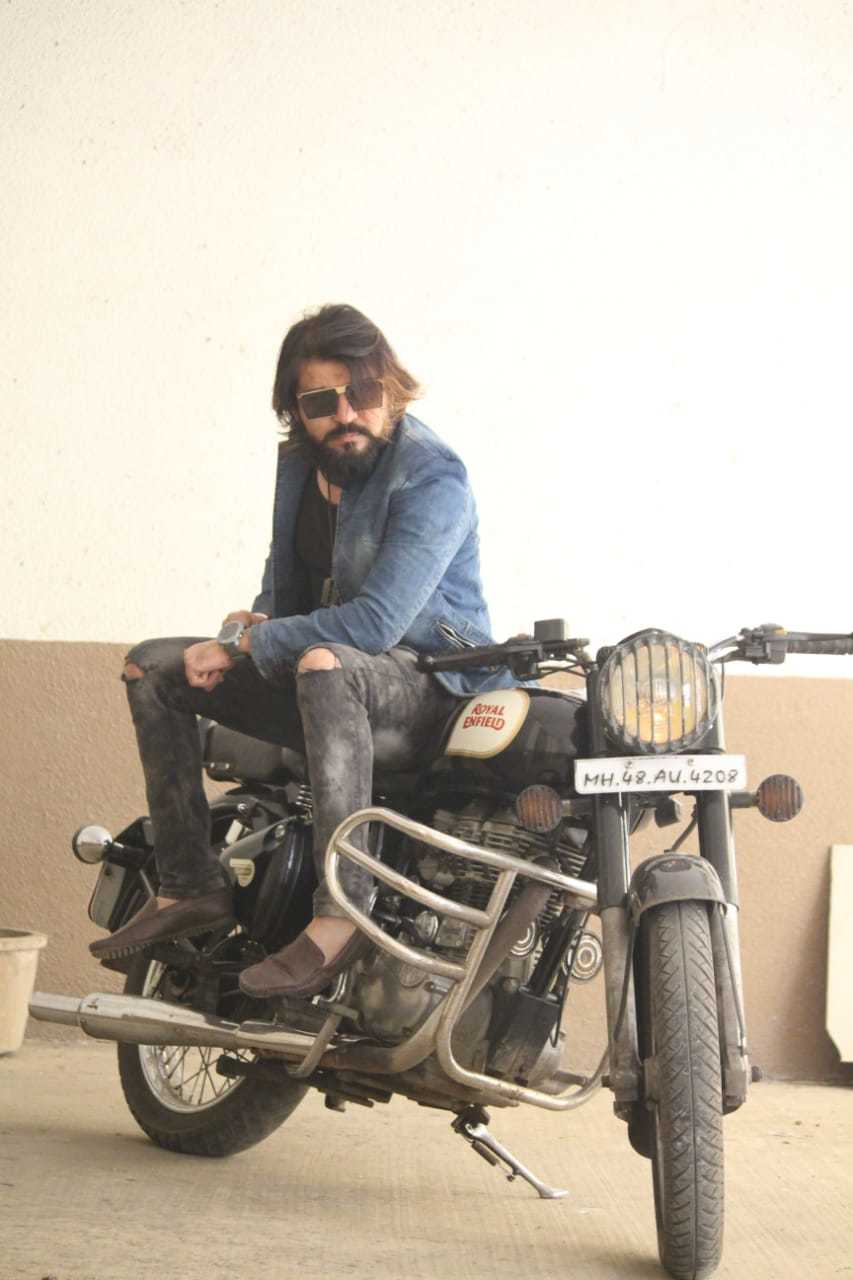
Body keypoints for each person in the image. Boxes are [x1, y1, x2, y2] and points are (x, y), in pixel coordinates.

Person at [89, 303, 515, 999]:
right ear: (296, 409)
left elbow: (374, 624)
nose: (344, 414)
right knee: (153, 668)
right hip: (330, 680)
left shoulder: (432, 477)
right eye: (320, 401)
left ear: (390, 391)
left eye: (361, 393)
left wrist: (249, 644)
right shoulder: (301, 465)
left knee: (325, 662)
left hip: (432, 685)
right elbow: (286, 591)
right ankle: (189, 883)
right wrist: (252, 625)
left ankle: (342, 912)